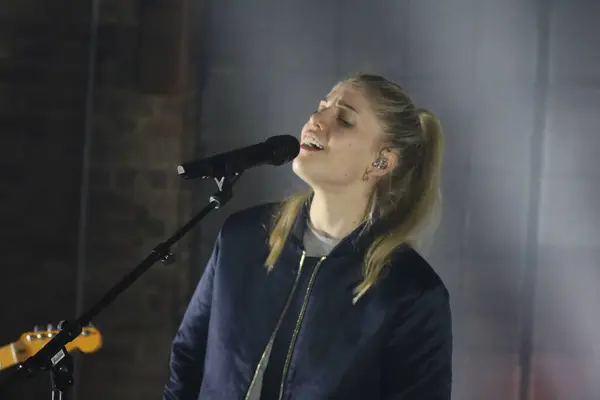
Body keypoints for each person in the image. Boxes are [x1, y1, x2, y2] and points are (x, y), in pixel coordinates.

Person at [163, 73, 453, 399]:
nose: (315, 120)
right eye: (320, 108)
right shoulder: (241, 238)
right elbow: (188, 357)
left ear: (381, 161)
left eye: (343, 119)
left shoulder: (411, 292)